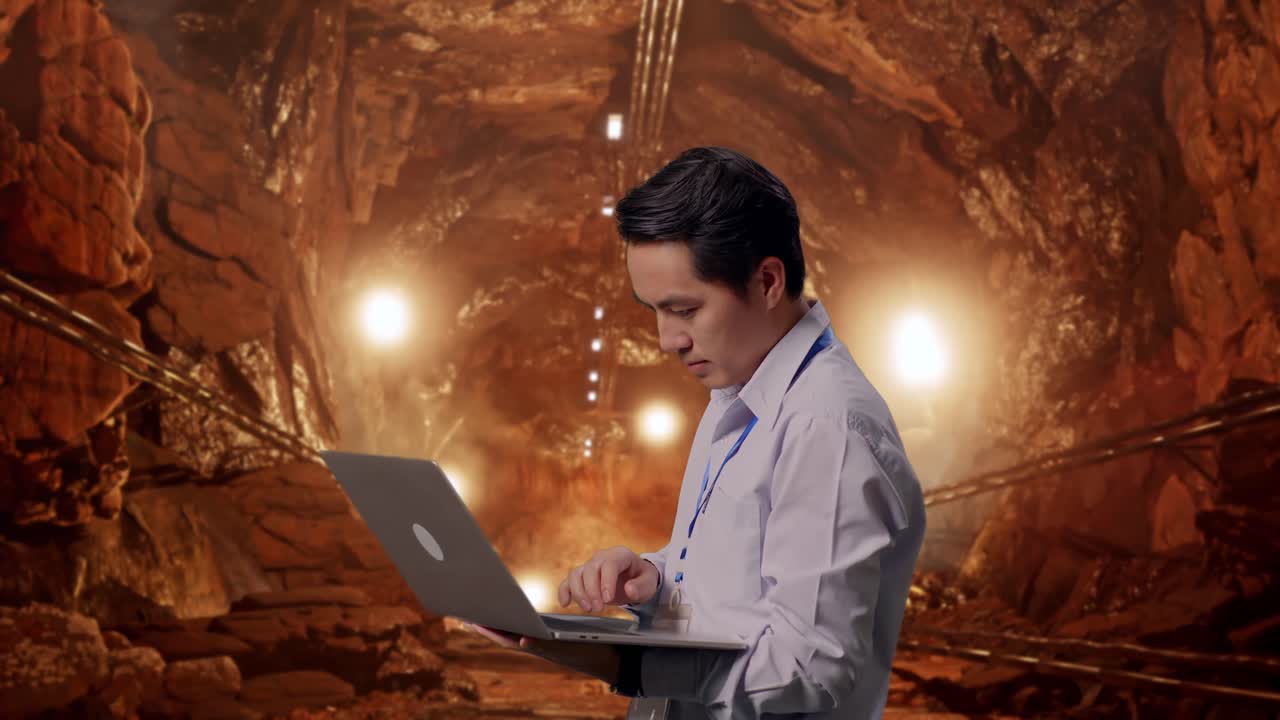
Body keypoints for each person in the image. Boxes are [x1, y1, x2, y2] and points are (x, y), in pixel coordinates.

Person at [471, 146, 926, 719]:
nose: (667, 339)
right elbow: (742, 591)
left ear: (765, 282)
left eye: (684, 309)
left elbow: (811, 665)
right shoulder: (740, 391)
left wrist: (622, 662)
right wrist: (655, 579)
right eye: (654, 310)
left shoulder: (825, 425)